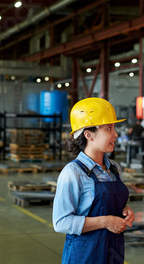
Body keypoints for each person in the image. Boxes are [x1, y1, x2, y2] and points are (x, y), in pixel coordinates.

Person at [53, 97, 135, 264]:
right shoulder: (73, 173)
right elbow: (61, 222)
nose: (116, 134)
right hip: (84, 256)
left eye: (114, 127)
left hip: (113, 253)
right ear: (89, 134)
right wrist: (106, 221)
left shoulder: (113, 168)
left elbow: (106, 205)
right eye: (109, 128)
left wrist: (124, 211)